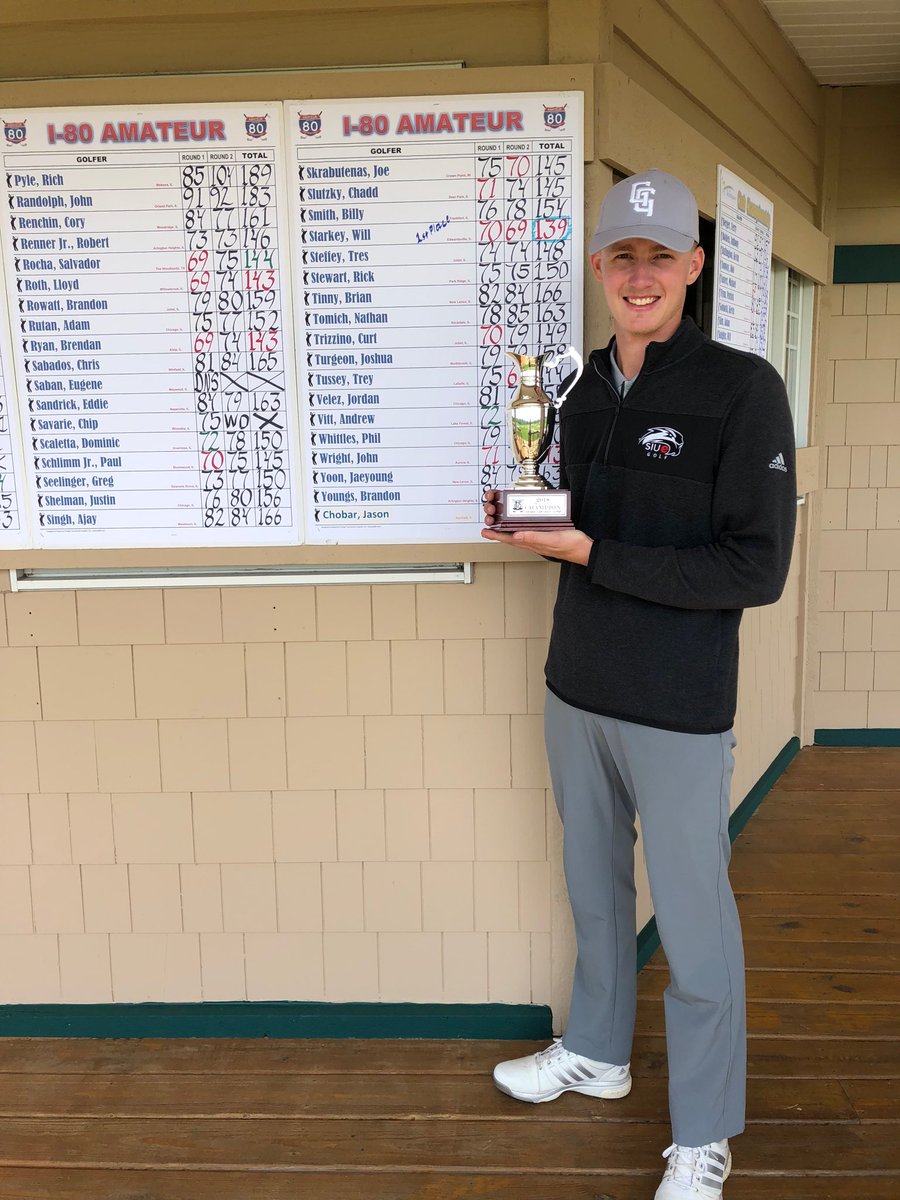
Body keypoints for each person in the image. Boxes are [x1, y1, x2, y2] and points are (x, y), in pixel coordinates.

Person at [482, 168, 797, 1199]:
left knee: (697, 923)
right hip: (576, 690)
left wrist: (585, 551)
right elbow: (575, 526)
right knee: (593, 891)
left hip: (678, 708)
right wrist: (537, 528)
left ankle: (703, 1135)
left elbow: (754, 569)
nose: (640, 274)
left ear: (694, 268)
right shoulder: (572, 390)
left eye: (660, 256)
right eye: (623, 255)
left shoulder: (743, 389)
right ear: (599, 267)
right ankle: (599, 1054)